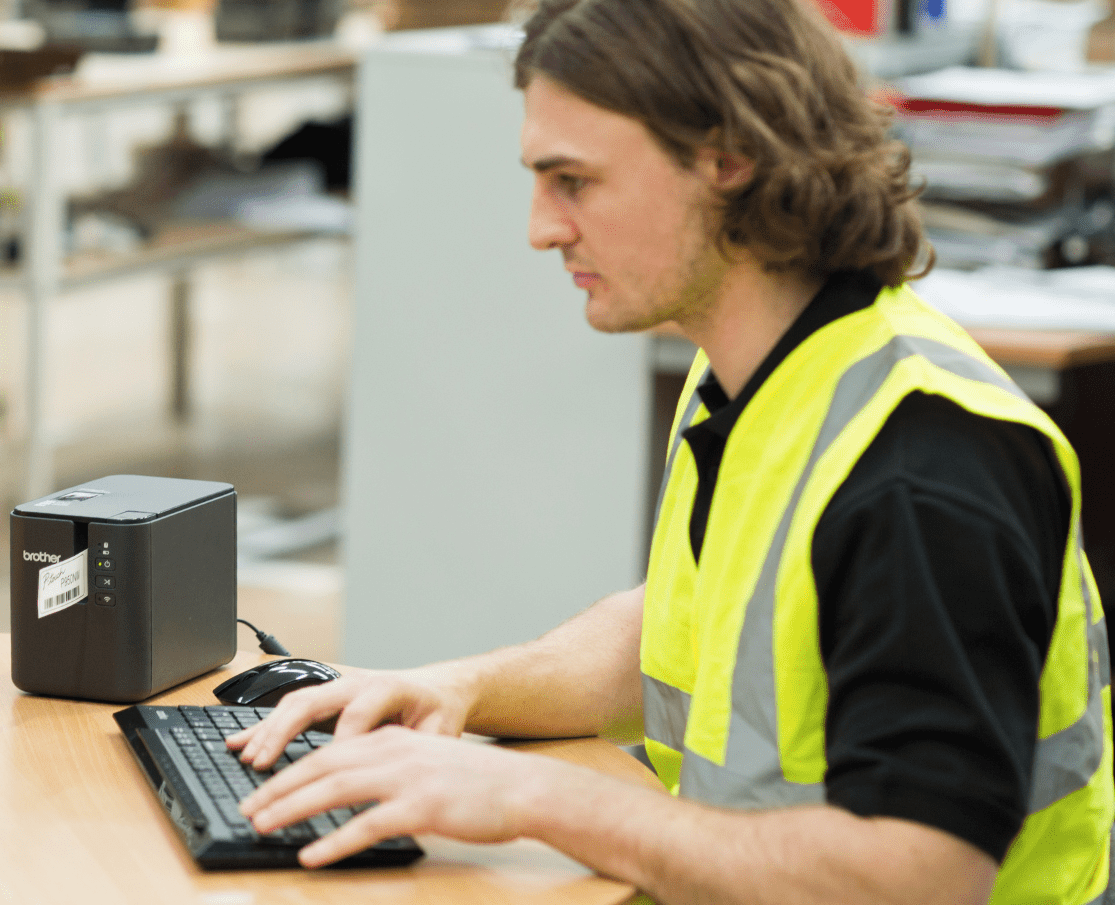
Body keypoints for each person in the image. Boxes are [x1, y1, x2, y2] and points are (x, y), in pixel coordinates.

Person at [227, 1, 1114, 901]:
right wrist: (454, 688)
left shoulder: (923, 465)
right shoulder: (759, 367)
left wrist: (536, 794)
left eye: (573, 180)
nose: (542, 227)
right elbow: (699, 628)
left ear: (727, 160)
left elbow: (918, 874)